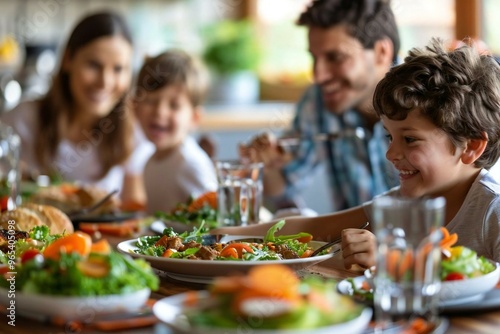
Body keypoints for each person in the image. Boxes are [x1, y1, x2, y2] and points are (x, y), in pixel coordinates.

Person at [215, 38, 500, 267]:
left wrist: (395, 261)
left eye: (410, 139)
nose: (391, 153)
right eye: (390, 136)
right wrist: (221, 237)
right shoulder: (398, 205)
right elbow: (313, 227)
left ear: (472, 146)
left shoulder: (492, 212)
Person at [240, 0, 400, 213]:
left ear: (381, 52)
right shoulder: (318, 101)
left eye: (336, 57)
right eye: (314, 57)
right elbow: (284, 188)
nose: (318, 75)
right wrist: (268, 165)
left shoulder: (428, 98)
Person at [0, 11, 154, 205]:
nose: (105, 82)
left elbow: (135, 213)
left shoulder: (133, 133)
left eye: (118, 69)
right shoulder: (22, 120)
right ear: (68, 60)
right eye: (94, 65)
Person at [132, 49, 217, 214]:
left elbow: (215, 219)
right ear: (135, 107)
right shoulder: (149, 162)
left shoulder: (190, 163)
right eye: (151, 101)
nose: (160, 112)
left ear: (194, 118)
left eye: (174, 105)